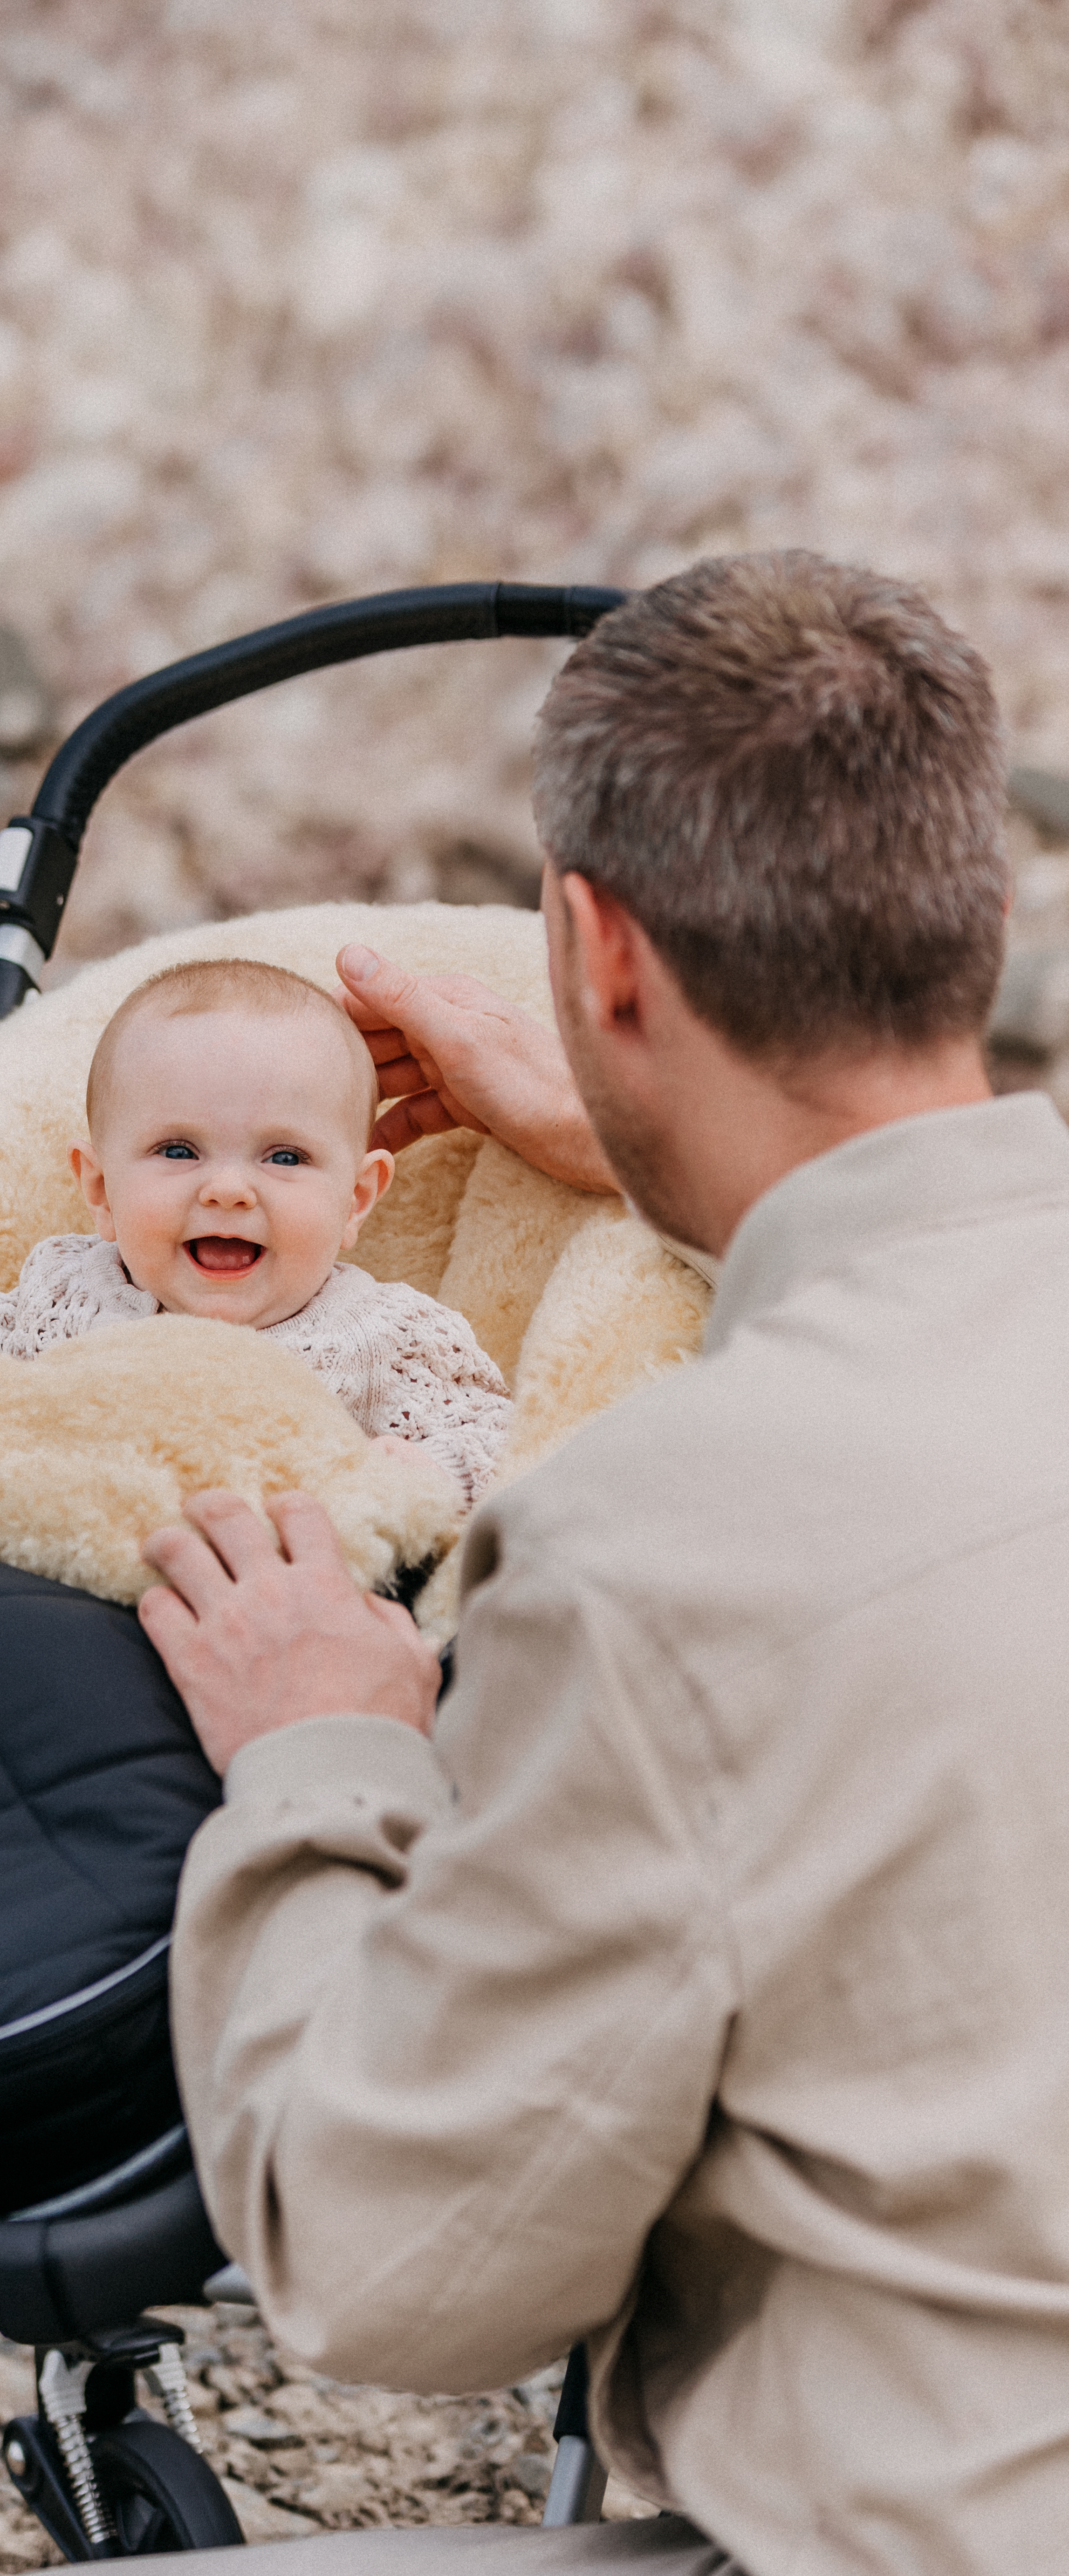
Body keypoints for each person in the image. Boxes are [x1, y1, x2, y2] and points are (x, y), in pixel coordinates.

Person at [135, 551, 1069, 2574]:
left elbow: (393, 2272)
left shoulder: (654, 1543)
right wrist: (676, 1172)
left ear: (596, 946)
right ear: (973, 914)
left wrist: (316, 1749)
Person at [0, 956, 512, 1508]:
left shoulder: (382, 1340)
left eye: (285, 1156)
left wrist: (422, 1475)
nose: (227, 1189)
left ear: (356, 1199)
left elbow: (503, 1445)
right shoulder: (66, 1294)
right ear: (101, 1189)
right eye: (178, 1151)